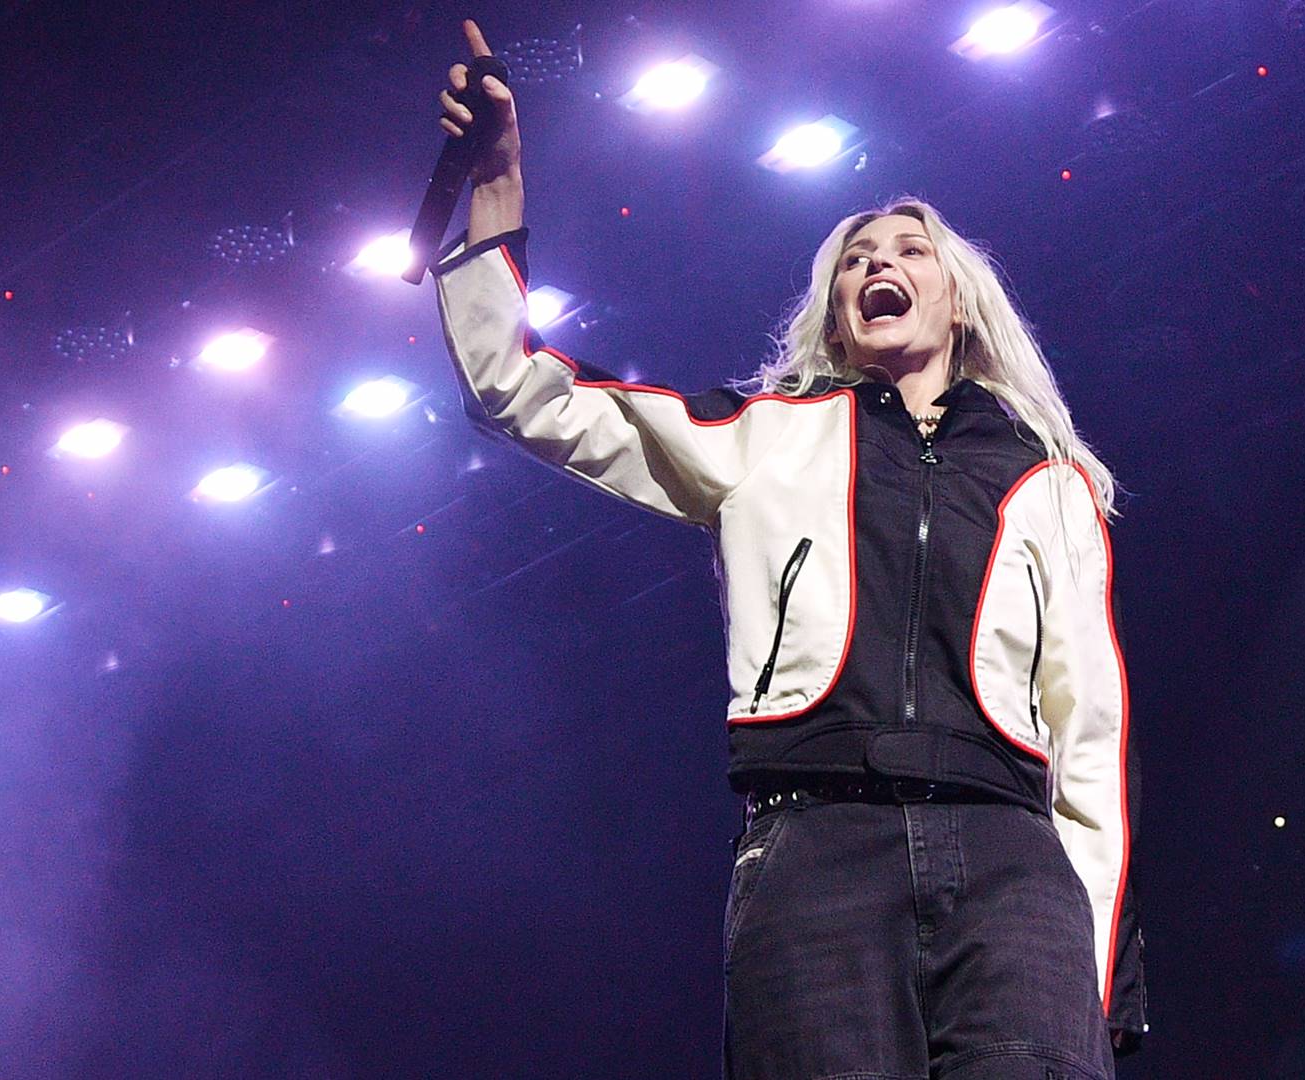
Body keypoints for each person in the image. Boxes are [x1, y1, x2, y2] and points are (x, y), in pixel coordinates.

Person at [431, 20, 1147, 1078]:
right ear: (838, 314)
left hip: (1012, 862)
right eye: (855, 260)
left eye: (909, 252)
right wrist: (497, 186)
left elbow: (1090, 731)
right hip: (819, 852)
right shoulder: (763, 435)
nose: (878, 264)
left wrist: (1100, 961)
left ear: (959, 301)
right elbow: (521, 388)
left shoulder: (1048, 479)